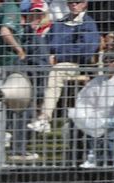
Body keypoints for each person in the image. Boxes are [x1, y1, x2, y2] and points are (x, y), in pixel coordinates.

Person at [28, 0, 101, 134]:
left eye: (78, 2)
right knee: (32, 72)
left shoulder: (88, 23)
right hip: (52, 63)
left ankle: (44, 118)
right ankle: (21, 123)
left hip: (78, 65)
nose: (74, 5)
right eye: (71, 2)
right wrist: (47, 57)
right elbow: (46, 45)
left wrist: (58, 57)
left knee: (57, 72)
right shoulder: (59, 23)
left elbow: (86, 50)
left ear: (85, 3)